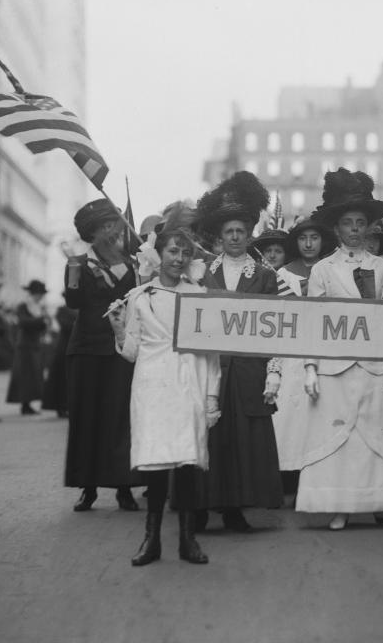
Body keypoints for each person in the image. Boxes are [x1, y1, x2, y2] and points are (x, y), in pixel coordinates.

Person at [298, 168, 383, 530]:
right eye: (348, 222)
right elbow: (313, 322)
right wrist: (310, 366)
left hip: (373, 365)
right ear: (337, 228)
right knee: (339, 438)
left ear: (369, 227)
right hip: (335, 366)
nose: (355, 229)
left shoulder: (381, 267)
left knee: (378, 435)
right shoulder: (323, 271)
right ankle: (340, 506)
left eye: (361, 222)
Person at [110, 204, 220, 566]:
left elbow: (211, 355)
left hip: (188, 383)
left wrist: (210, 398)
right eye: (172, 251)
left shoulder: (199, 297)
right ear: (157, 255)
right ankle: (151, 540)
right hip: (152, 387)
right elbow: (131, 353)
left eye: (185, 252)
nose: (178, 257)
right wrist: (119, 327)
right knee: (156, 466)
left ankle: (187, 540)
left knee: (187, 465)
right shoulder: (140, 298)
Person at [189, 171, 284, 532]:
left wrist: (273, 371)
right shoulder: (202, 274)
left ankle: (233, 509)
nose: (234, 237)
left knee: (241, 441)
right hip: (210, 367)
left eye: (240, 232)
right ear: (220, 235)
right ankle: (199, 507)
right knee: (207, 436)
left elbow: (275, 326)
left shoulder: (264, 275)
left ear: (249, 234)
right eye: (228, 232)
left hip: (247, 367)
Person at [63, 199, 141, 512]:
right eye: (104, 226)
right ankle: (88, 487)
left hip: (122, 347)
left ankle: (124, 487)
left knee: (121, 417)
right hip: (86, 348)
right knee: (87, 417)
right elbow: (73, 300)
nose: (111, 231)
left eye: (114, 225)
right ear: (93, 232)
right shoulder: (79, 262)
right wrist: (72, 267)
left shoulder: (134, 263)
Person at [272, 217, 334, 489]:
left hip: (323, 345)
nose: (309, 244)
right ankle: (287, 470)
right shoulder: (284, 274)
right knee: (290, 408)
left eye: (314, 238)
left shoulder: (331, 270)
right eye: (302, 238)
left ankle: (317, 468)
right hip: (293, 348)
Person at [5, 280, 49, 416]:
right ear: (34, 294)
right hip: (25, 346)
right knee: (25, 376)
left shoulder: (37, 307)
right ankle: (25, 404)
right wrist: (41, 320)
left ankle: (28, 403)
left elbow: (42, 325)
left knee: (33, 376)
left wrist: (43, 323)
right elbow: (23, 322)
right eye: (39, 294)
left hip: (34, 344)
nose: (41, 297)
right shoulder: (23, 306)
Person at [41, 301, 76, 418]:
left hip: (74, 346)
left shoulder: (80, 309)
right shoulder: (62, 310)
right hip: (64, 348)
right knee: (61, 379)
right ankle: (61, 406)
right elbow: (65, 325)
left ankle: (69, 406)